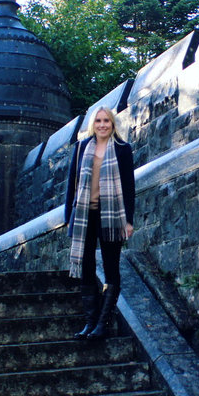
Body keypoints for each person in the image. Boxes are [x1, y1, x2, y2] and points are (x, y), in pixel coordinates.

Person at [64, 107, 135, 340]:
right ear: (92, 124)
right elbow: (71, 185)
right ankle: (90, 322)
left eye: (106, 121)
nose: (102, 125)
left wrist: (129, 221)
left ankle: (102, 325)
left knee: (111, 267)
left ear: (113, 124)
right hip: (85, 214)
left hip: (111, 216)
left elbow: (128, 188)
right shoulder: (81, 148)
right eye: (98, 121)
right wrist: (68, 217)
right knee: (86, 268)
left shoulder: (123, 150)